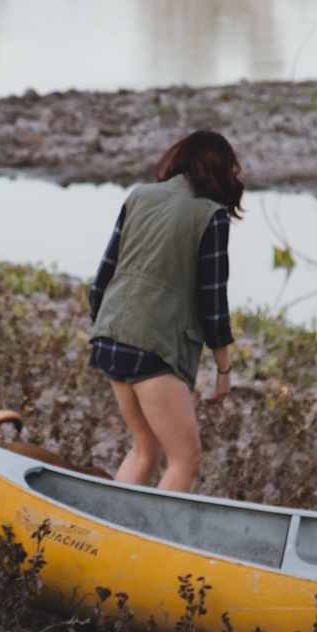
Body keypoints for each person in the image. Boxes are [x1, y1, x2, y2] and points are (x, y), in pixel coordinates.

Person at [88, 130, 242, 493]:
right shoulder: (211, 217)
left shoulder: (139, 196)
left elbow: (102, 278)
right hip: (152, 349)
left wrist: (110, 327)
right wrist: (224, 370)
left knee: (144, 448)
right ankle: (147, 545)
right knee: (185, 460)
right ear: (221, 171)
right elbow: (213, 303)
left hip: (110, 336)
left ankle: (110, 535)